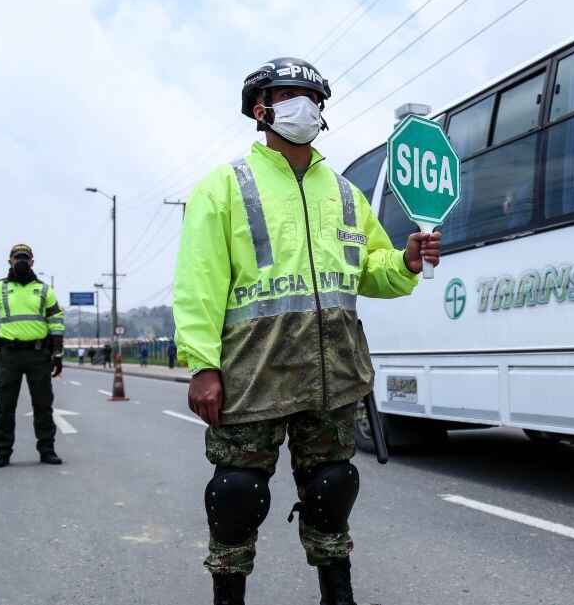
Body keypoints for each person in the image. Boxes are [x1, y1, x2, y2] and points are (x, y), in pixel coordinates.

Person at [173, 57, 441, 605]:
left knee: (332, 488)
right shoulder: (223, 187)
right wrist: (202, 364)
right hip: (253, 374)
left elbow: (371, 271)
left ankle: (337, 595)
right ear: (260, 109)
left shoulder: (343, 193)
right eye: (291, 94)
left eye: (314, 98)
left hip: (333, 373)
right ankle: (229, 595)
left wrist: (407, 262)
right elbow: (198, 284)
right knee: (237, 494)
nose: (306, 106)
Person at [0, 244, 64, 468]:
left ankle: (47, 450)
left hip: (38, 354)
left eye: (25, 258)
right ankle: (2, 452)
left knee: (43, 404)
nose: (21, 261)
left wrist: (57, 354)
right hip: (9, 355)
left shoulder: (44, 290)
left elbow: (56, 322)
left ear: (32, 262)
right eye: (17, 257)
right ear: (9, 261)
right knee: (4, 405)